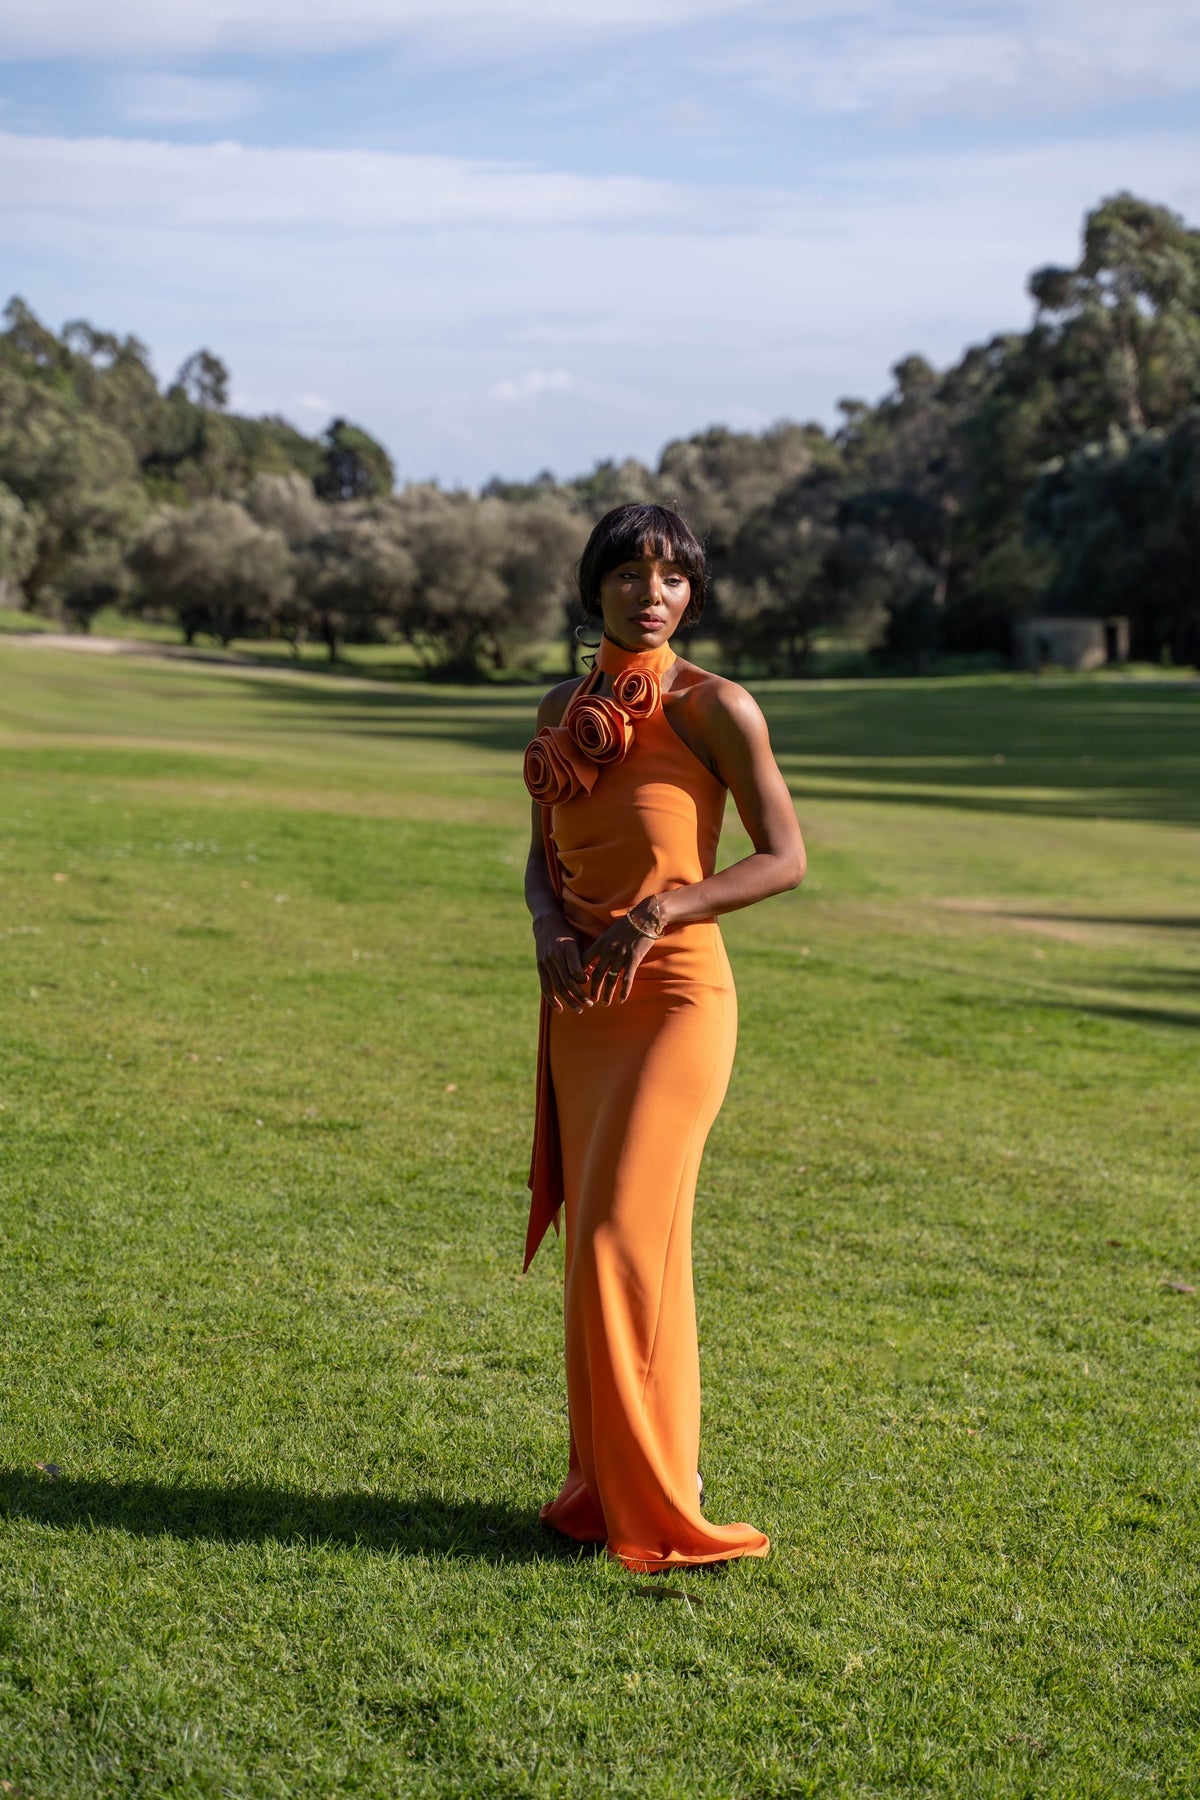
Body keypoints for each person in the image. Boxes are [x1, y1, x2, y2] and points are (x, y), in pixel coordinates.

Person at [522, 502, 806, 1573]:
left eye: (673, 576)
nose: (654, 593)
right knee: (626, 1247)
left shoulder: (717, 707)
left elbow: (784, 858)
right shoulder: (564, 707)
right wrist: (552, 923)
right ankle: (613, 1488)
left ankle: (655, 1504)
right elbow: (542, 856)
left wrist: (660, 912)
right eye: (632, 574)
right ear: (595, 588)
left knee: (616, 1244)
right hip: (584, 1010)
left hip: (680, 999)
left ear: (692, 592)